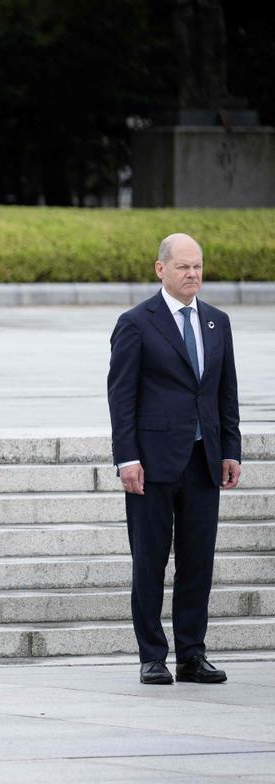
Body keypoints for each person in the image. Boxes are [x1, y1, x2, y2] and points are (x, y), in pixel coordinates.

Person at [107, 233, 241, 685]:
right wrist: (126, 457)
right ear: (160, 269)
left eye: (198, 266)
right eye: (183, 267)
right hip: (152, 462)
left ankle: (192, 653)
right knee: (150, 560)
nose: (193, 275)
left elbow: (226, 393)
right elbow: (121, 396)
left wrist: (231, 450)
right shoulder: (136, 323)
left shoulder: (217, 323)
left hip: (204, 460)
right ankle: (152, 655)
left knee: (197, 560)